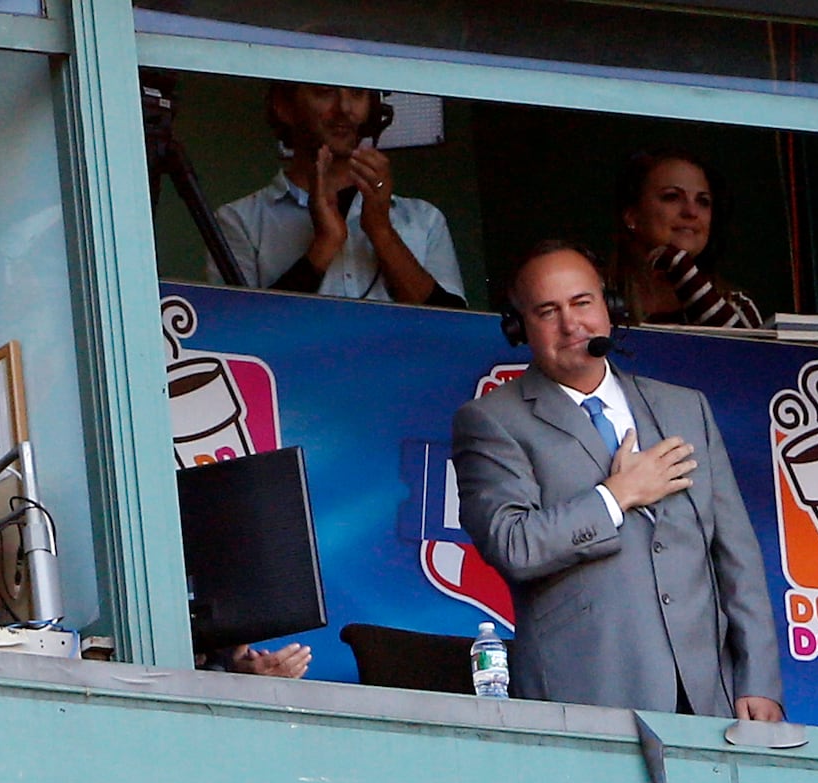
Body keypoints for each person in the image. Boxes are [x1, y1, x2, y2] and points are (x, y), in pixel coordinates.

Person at [451, 240, 783, 719]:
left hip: (709, 697)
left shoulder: (685, 408)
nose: (571, 324)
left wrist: (758, 680)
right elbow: (513, 545)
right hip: (584, 697)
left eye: (582, 302)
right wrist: (617, 495)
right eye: (548, 311)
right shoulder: (491, 420)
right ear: (518, 327)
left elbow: (737, 558)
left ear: (610, 308)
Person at [209, 83, 466, 307]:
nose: (344, 108)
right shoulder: (239, 220)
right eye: (324, 92)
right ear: (284, 107)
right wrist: (324, 246)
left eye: (357, 93)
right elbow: (238, 331)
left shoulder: (424, 219)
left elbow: (453, 330)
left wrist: (381, 231)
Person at [609, 148, 761, 329]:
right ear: (632, 216)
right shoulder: (595, 297)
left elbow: (742, 346)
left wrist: (681, 269)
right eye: (672, 197)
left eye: (703, 201)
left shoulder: (735, 305)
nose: (691, 212)